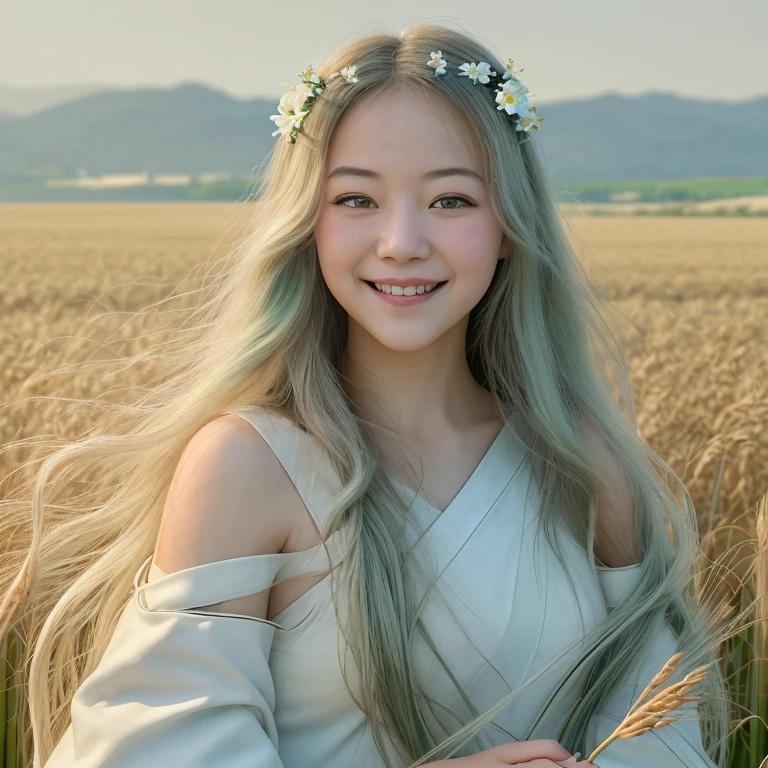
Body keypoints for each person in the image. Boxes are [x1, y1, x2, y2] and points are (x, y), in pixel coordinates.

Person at [0, 20, 729, 768]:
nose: (402, 240)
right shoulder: (249, 467)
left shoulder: (579, 462)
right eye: (355, 200)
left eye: (451, 201)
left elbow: (660, 729)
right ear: (306, 223)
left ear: (509, 225)